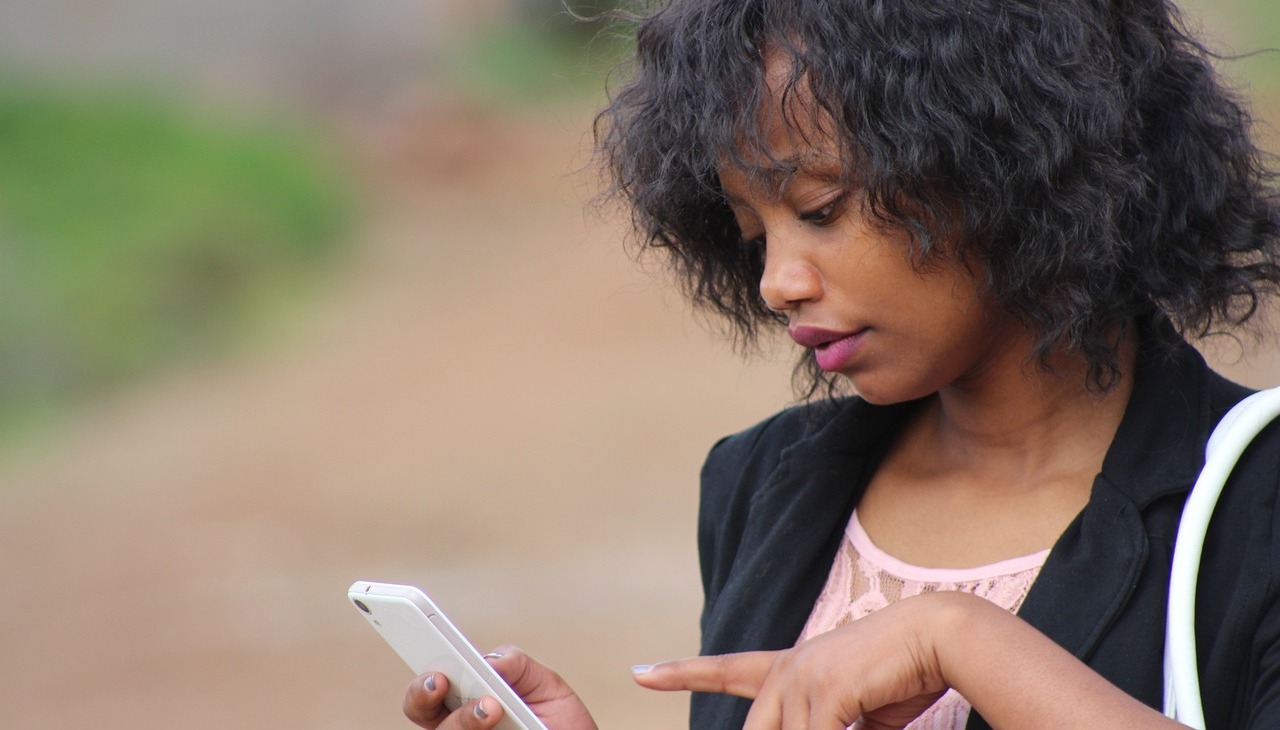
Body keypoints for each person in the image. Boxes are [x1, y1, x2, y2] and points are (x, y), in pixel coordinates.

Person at [402, 0, 1280, 727]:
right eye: (753, 236)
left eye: (820, 209)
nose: (779, 282)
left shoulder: (1256, 499)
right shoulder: (761, 483)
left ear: (1004, 155)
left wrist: (959, 638)